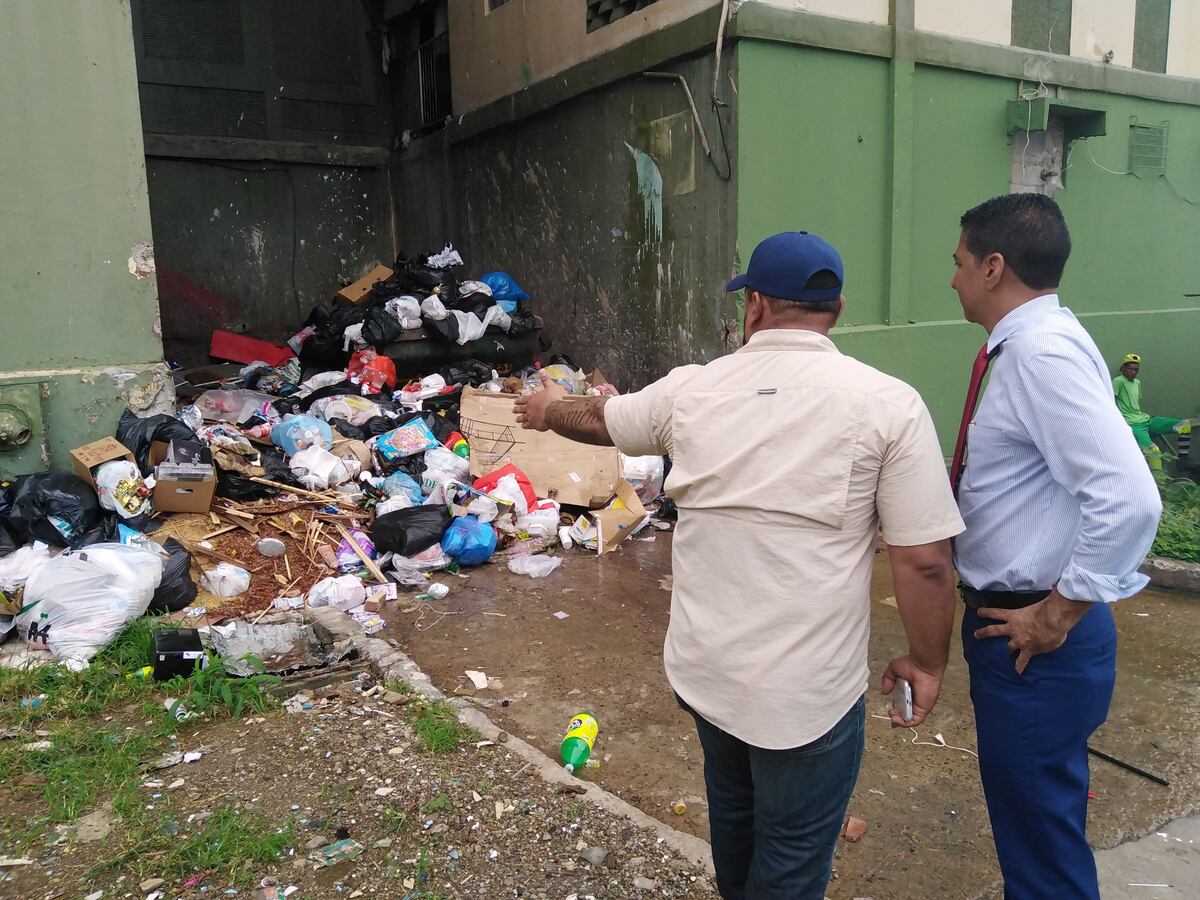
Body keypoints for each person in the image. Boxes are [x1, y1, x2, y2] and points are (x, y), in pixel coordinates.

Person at [516, 231, 964, 899]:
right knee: (789, 858)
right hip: (805, 697)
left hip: (706, 674)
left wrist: (548, 409)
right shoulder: (888, 405)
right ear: (835, 310)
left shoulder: (690, 391)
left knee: (734, 820)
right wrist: (928, 662)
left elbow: (602, 418)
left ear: (752, 306)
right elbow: (925, 562)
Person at [948, 193, 1162, 899]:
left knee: (1042, 854)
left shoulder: (1040, 353)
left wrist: (1057, 613)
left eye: (958, 263)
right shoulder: (1038, 344)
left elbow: (1131, 498)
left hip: (1033, 640)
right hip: (1022, 635)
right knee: (1037, 831)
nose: (951, 279)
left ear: (993, 267)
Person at [1113, 353, 1191, 468]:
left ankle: (1182, 463)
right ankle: (1159, 482)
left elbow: (1135, 403)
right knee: (1153, 453)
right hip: (1133, 423)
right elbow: (1110, 400)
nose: (1133, 372)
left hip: (1145, 419)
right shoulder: (1118, 381)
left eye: (1136, 369)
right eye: (1130, 369)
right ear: (1122, 368)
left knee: (1184, 424)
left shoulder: (1137, 383)